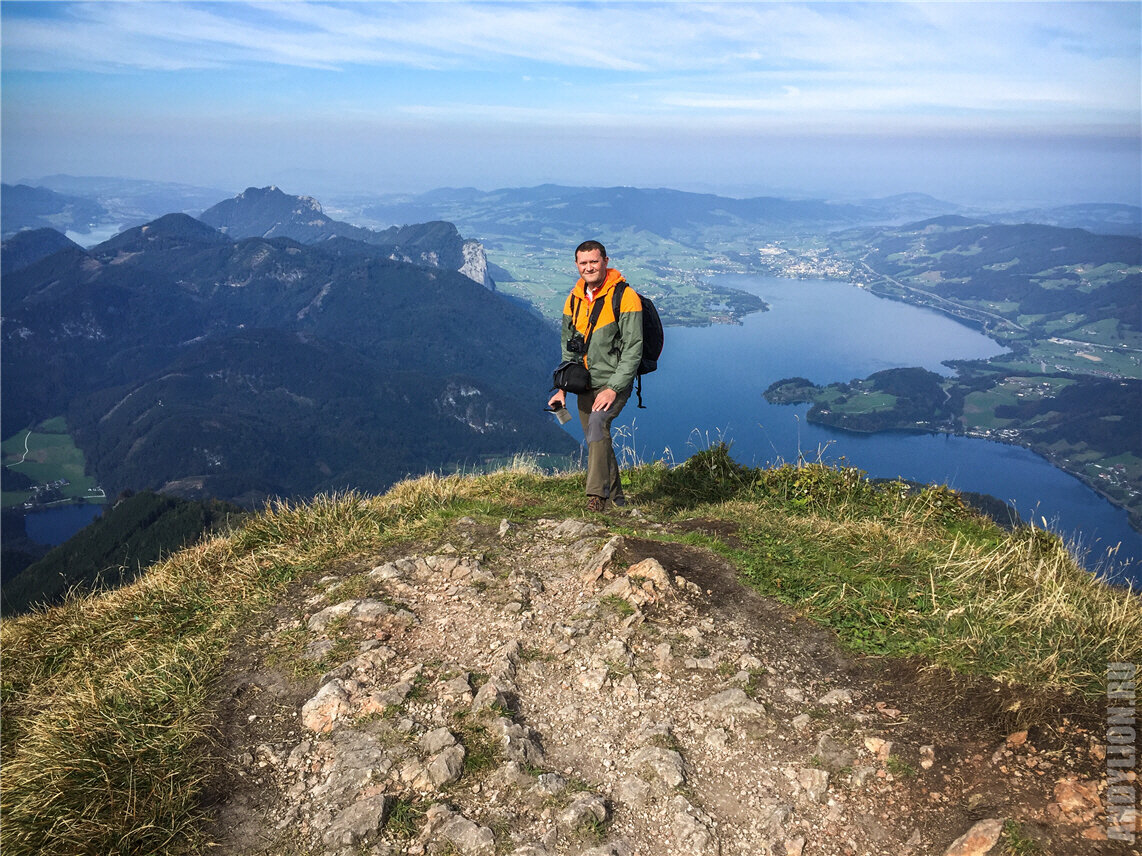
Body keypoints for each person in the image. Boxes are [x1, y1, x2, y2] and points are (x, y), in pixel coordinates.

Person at [548, 240, 644, 512]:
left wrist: (613, 388)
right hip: (585, 384)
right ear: (576, 265)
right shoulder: (574, 299)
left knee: (598, 423)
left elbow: (633, 350)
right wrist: (561, 388)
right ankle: (618, 501)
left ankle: (596, 498)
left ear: (605, 261)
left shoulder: (625, 297)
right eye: (583, 262)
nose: (589, 267)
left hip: (614, 382)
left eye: (594, 261)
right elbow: (569, 349)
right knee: (596, 438)